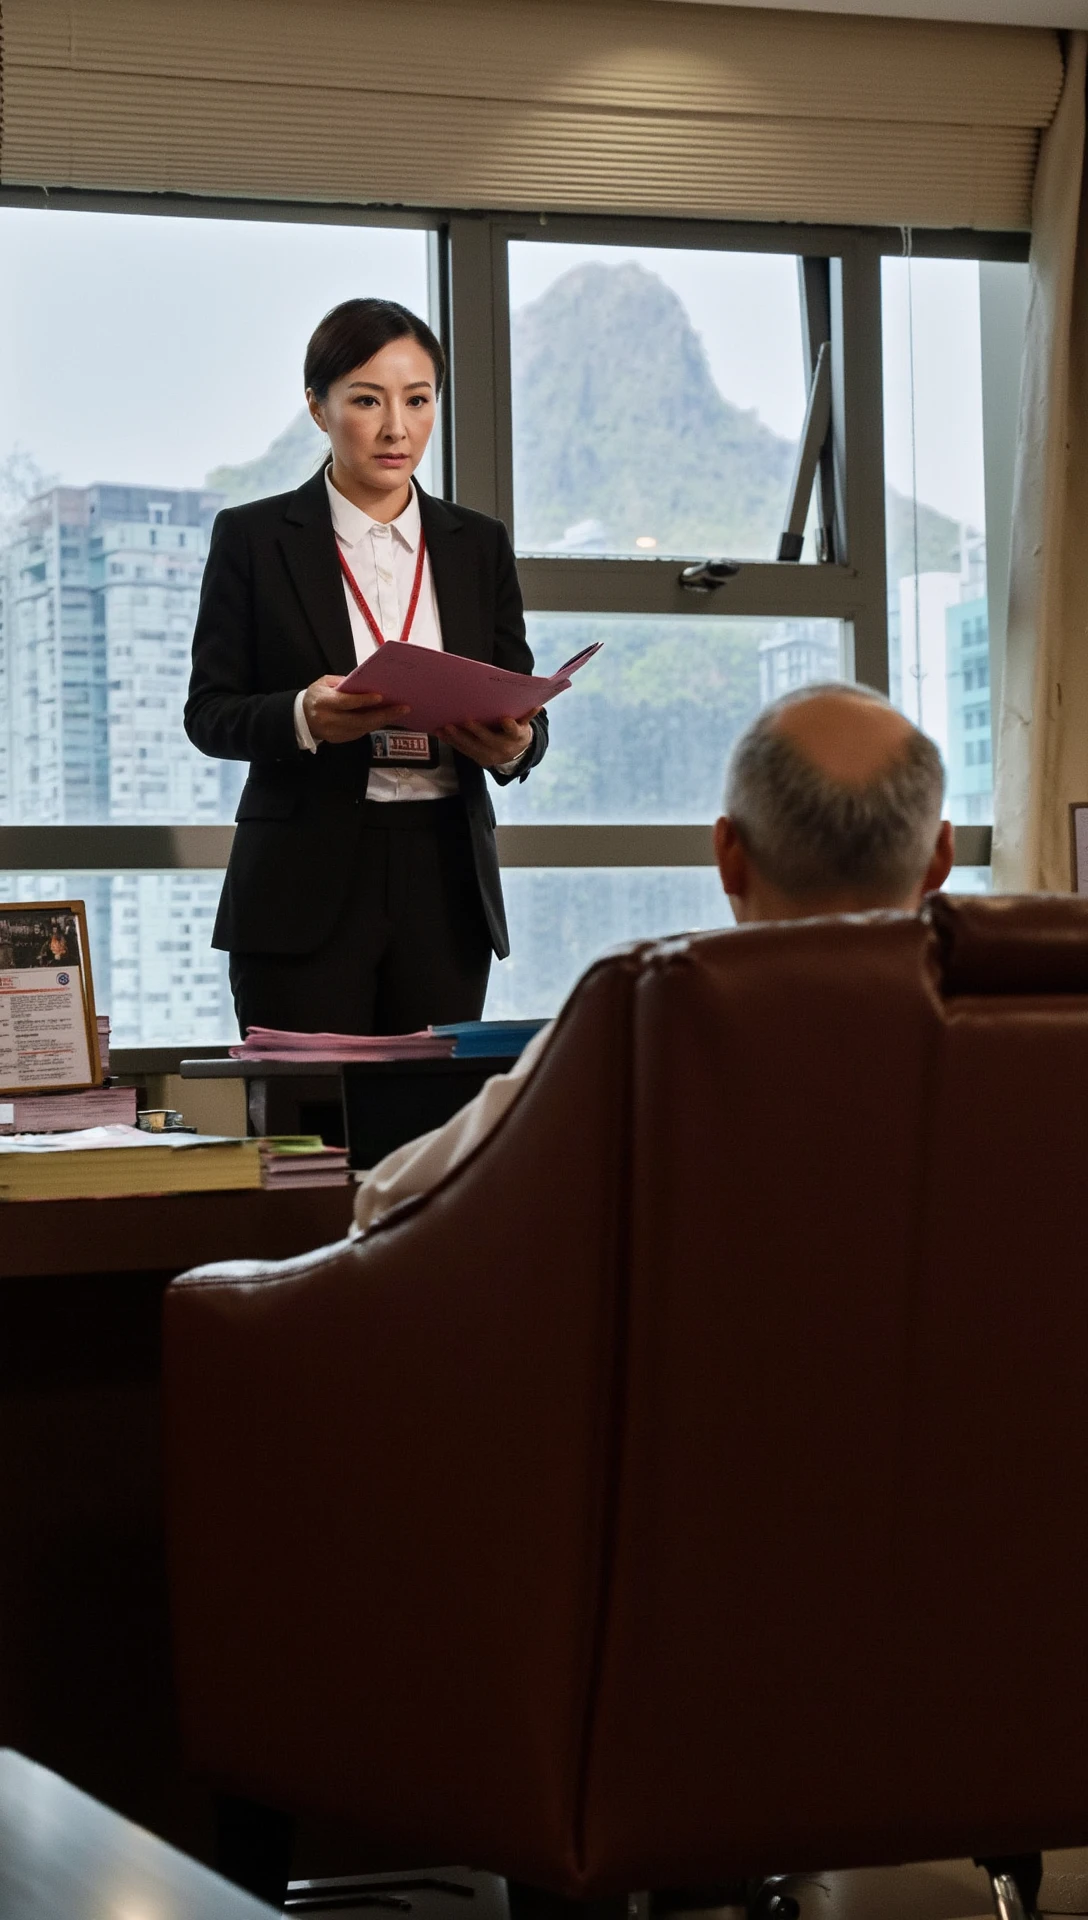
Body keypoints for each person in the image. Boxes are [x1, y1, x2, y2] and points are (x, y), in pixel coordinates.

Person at [352, 682, 954, 1236]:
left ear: (727, 854)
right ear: (940, 859)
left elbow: (387, 1206)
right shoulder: (1028, 1034)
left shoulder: (626, 1029)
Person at [184, 298, 548, 1038]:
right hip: (302, 878)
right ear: (318, 409)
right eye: (366, 400)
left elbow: (524, 706)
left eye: (418, 401)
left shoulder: (478, 544)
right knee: (308, 1128)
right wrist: (302, 715)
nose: (396, 428)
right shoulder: (253, 538)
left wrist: (519, 746)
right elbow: (210, 713)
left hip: (444, 878)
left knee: (427, 1132)